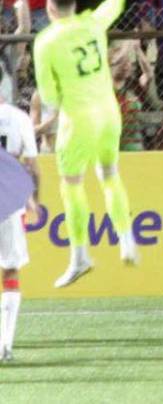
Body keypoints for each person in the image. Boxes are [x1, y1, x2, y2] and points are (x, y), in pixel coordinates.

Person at [33, 0, 137, 288]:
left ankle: (80, 256)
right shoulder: (92, 24)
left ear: (50, 8)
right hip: (109, 113)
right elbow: (113, 5)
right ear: (74, 5)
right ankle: (126, 239)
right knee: (109, 175)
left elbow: (49, 97)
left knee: (72, 185)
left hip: (78, 119)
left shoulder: (46, 41)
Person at [0, 89, 39, 362]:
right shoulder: (18, 117)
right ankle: (4, 345)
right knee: (10, 268)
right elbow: (32, 164)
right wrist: (34, 199)